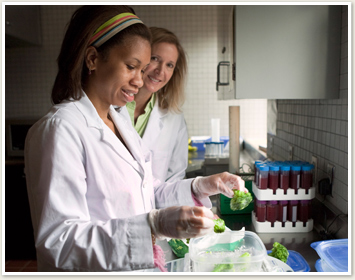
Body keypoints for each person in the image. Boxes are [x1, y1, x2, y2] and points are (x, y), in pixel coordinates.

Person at [24, 5, 247, 272]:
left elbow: (146, 190)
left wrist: (200, 186)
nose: (140, 81)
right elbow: (59, 243)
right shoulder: (61, 129)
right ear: (93, 58)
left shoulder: (119, 121)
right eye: (131, 67)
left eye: (142, 70)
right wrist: (153, 226)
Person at [125, 27, 188, 183]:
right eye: (155, 59)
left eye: (169, 65)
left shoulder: (174, 119)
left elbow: (174, 178)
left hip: (154, 206)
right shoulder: (109, 107)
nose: (160, 71)